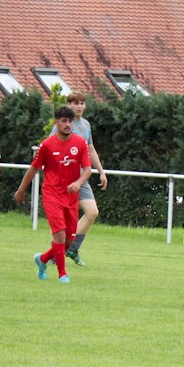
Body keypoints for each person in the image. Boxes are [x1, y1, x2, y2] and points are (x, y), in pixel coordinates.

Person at [14, 105, 91, 284]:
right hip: (52, 194)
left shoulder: (80, 143)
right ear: (56, 123)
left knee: (70, 241)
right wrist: (21, 189)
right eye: (63, 121)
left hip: (71, 196)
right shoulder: (47, 145)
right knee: (60, 236)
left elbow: (87, 169)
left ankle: (42, 260)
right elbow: (34, 168)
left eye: (70, 121)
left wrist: (78, 183)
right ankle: (62, 274)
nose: (67, 125)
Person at [49, 92, 107, 266]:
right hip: (62, 179)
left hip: (80, 179)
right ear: (69, 106)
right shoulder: (63, 124)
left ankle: (71, 249)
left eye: (82, 103)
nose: (80, 106)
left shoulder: (86, 125)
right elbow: (50, 147)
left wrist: (101, 171)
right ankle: (55, 253)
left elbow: (90, 148)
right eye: (76, 103)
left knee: (92, 212)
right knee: (63, 221)